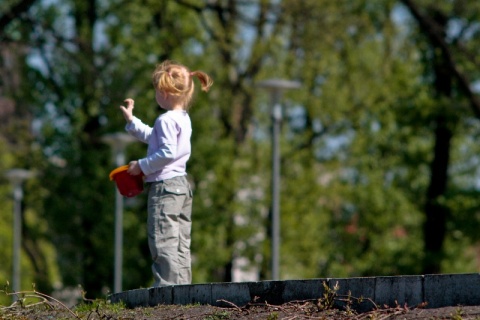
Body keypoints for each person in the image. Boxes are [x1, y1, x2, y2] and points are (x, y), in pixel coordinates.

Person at [119, 60, 213, 286]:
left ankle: (167, 288)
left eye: (156, 91)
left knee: (163, 238)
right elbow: (155, 138)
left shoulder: (165, 119)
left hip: (165, 187)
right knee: (180, 240)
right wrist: (132, 121)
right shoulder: (183, 119)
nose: (155, 96)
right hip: (181, 186)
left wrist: (141, 166)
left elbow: (167, 152)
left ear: (165, 92)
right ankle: (181, 287)